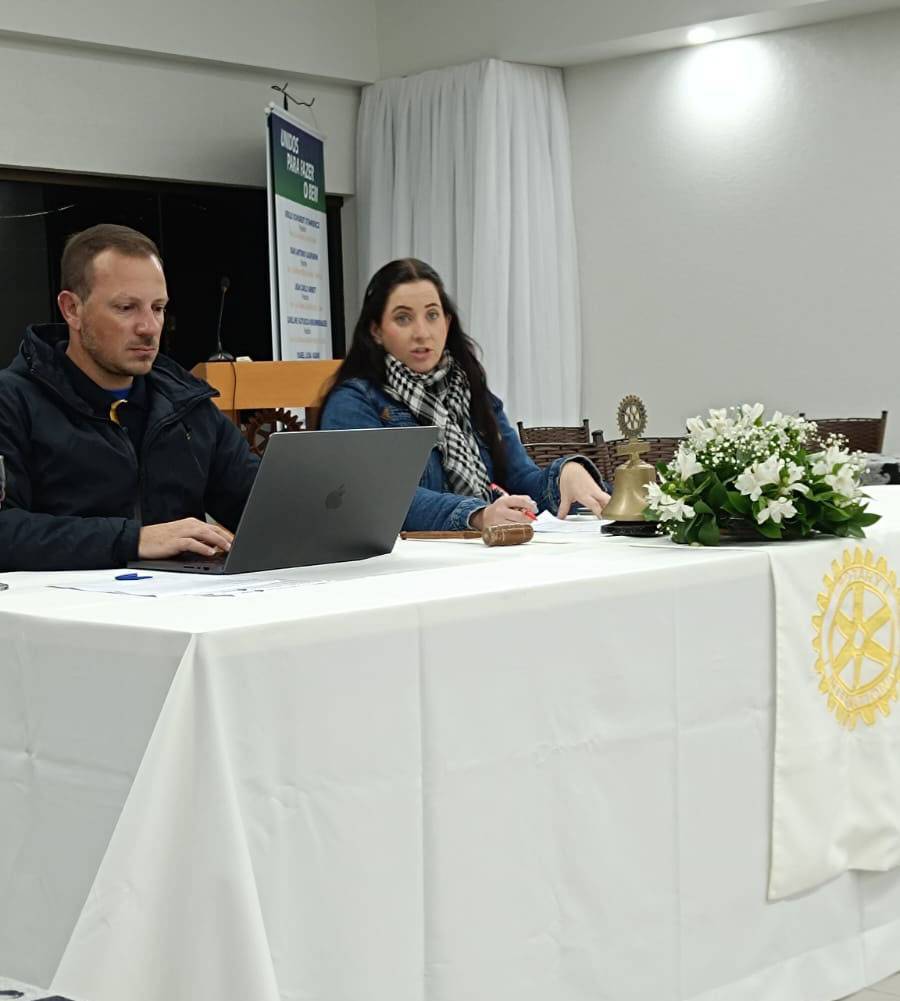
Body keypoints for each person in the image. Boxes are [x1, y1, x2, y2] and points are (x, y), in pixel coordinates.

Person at [0, 224, 259, 571]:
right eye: (126, 308)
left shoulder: (185, 404)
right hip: (66, 614)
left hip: (188, 609)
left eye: (158, 307)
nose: (149, 327)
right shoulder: (13, 401)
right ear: (71, 309)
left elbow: (259, 506)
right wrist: (132, 539)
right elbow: (6, 532)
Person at [320, 258, 609, 532]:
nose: (422, 332)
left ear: (446, 323)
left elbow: (521, 479)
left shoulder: (470, 390)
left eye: (432, 315)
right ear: (376, 331)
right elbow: (378, 497)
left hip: (480, 555)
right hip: (402, 571)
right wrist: (477, 515)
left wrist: (565, 475)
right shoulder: (353, 403)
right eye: (403, 318)